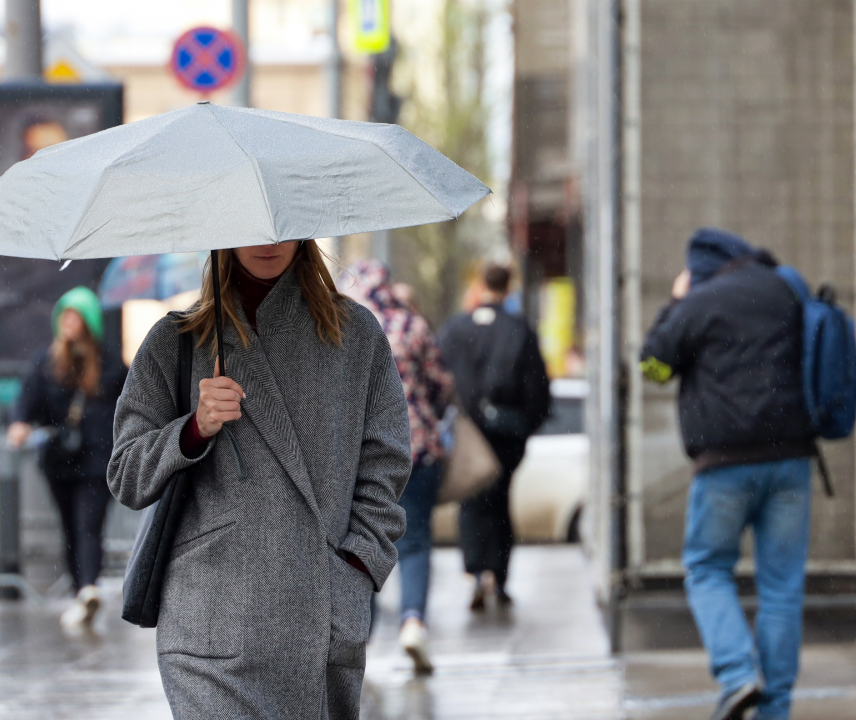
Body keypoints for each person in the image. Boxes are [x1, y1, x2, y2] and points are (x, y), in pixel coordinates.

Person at [107, 241, 411, 720]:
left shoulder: (356, 336)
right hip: (208, 627)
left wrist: (355, 567)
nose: (269, 243)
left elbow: (385, 465)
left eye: (281, 229)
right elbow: (126, 474)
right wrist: (194, 427)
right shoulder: (178, 340)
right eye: (252, 230)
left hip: (319, 619)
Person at [639, 227, 815, 720]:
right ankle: (774, 710)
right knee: (781, 589)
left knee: (708, 568)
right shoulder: (785, 288)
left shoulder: (700, 302)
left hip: (725, 465)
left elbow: (653, 368)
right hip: (792, 460)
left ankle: (738, 675)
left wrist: (675, 304)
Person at [339, 261, 454, 676]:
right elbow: (442, 383)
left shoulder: (342, 330)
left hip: (359, 455)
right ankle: (412, 623)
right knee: (416, 540)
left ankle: (361, 638)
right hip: (417, 448)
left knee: (360, 539)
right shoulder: (412, 326)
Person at [7, 286, 128, 631]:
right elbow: (26, 401)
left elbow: (130, 403)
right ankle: (82, 593)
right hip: (59, 461)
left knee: (88, 526)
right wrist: (18, 424)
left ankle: (88, 587)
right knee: (70, 528)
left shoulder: (109, 362)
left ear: (89, 323)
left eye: (75, 317)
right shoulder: (45, 363)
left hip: (99, 461)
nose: (68, 323)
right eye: (65, 316)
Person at [437, 263, 551, 611]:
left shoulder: (455, 328)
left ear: (480, 285)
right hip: (507, 435)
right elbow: (537, 388)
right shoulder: (520, 329)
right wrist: (526, 425)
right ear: (509, 286)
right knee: (500, 502)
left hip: (467, 434)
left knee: (471, 502)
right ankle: (499, 577)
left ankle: (475, 572)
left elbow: (438, 378)